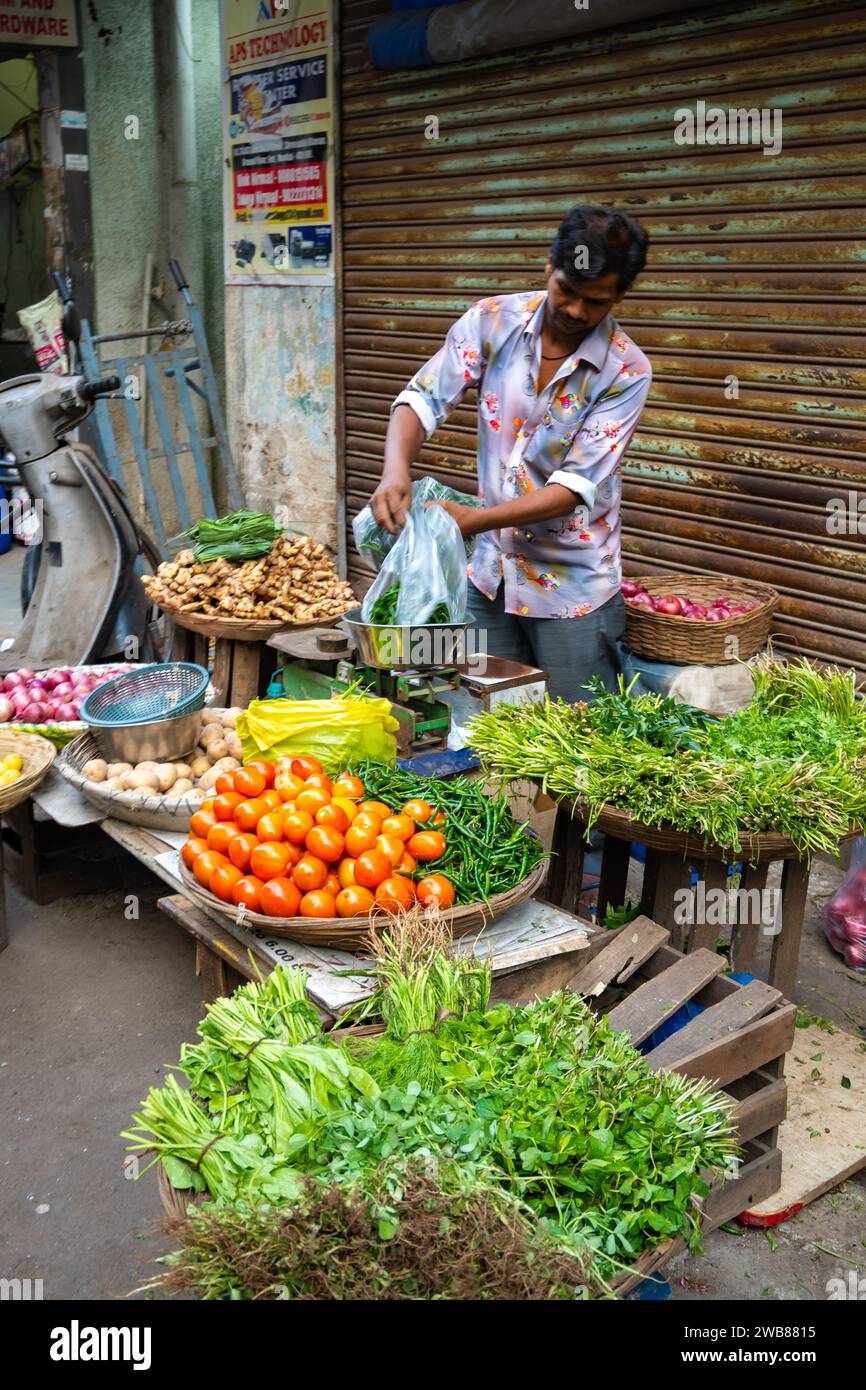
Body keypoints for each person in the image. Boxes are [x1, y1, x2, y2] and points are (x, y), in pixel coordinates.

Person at [369, 205, 651, 702]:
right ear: (549, 266)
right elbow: (422, 398)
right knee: (485, 723)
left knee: (578, 740)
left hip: (573, 591)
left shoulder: (626, 370)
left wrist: (470, 521)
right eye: (567, 290)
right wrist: (396, 471)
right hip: (488, 578)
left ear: (621, 296)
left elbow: (573, 490)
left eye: (596, 301)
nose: (576, 311)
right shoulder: (493, 321)